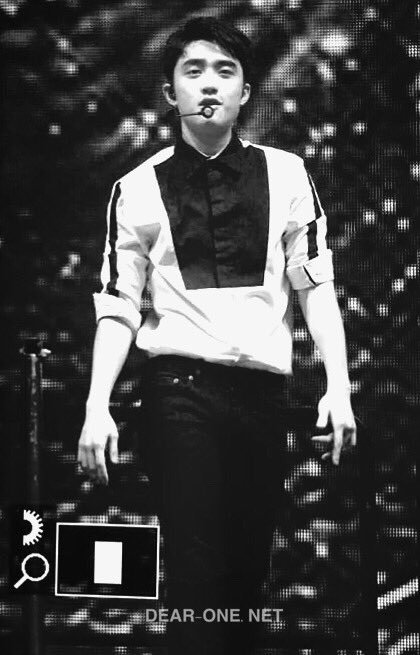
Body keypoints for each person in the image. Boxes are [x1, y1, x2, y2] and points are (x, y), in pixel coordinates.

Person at [77, 17, 357, 655]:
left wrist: (338, 386)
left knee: (247, 572)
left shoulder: (287, 174)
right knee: (195, 565)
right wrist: (96, 405)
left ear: (246, 92)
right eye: (194, 70)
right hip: (180, 390)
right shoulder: (136, 189)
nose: (209, 84)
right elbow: (118, 305)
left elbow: (316, 287)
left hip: (261, 394)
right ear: (169, 92)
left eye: (225, 71)